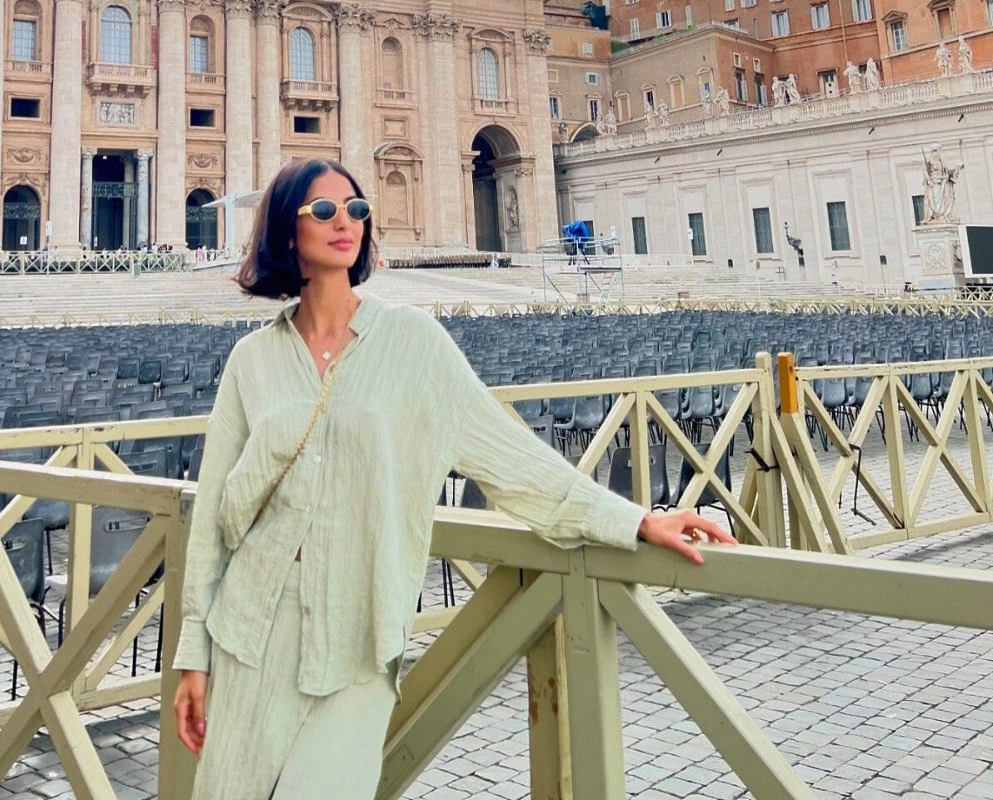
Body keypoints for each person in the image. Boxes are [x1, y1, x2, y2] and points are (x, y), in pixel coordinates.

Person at [171, 158, 736, 800]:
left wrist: (632, 520)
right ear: (285, 229)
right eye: (323, 211)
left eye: (355, 210)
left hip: (356, 636)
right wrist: (194, 653)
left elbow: (510, 459)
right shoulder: (252, 361)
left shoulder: (414, 342)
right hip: (249, 634)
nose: (345, 223)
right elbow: (217, 516)